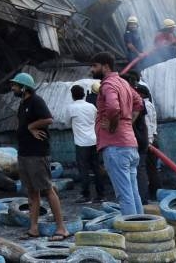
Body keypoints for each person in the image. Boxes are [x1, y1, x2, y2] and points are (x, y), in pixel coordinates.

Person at [10, 73, 69, 240]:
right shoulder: (23, 103)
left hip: (37, 154)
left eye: (15, 85)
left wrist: (32, 126)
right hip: (24, 153)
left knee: (47, 190)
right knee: (31, 192)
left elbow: (49, 119)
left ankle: (61, 228)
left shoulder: (36, 101)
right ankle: (33, 228)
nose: (12, 88)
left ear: (24, 87)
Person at [90, 52, 144, 215]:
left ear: (105, 66)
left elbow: (113, 108)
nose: (91, 70)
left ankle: (132, 234)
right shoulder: (123, 82)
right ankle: (142, 229)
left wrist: (114, 125)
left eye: (94, 66)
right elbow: (139, 103)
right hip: (129, 144)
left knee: (124, 195)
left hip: (115, 146)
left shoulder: (108, 85)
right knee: (133, 192)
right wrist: (127, 122)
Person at [67, 84, 105, 204]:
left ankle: (86, 195)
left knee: (83, 170)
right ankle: (101, 195)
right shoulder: (91, 107)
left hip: (81, 143)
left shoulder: (71, 108)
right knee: (97, 168)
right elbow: (96, 120)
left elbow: (66, 122)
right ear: (84, 95)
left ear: (72, 95)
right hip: (94, 140)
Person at [123, 71, 151, 204]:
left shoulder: (131, 98)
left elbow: (130, 120)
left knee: (137, 169)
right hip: (141, 137)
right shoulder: (137, 98)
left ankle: (140, 199)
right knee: (139, 168)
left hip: (135, 138)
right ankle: (140, 198)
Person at [137, 84, 161, 199]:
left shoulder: (144, 105)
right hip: (152, 139)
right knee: (151, 168)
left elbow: (147, 125)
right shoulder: (149, 104)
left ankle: (151, 194)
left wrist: (149, 142)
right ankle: (154, 192)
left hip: (149, 140)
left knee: (148, 169)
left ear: (141, 94)